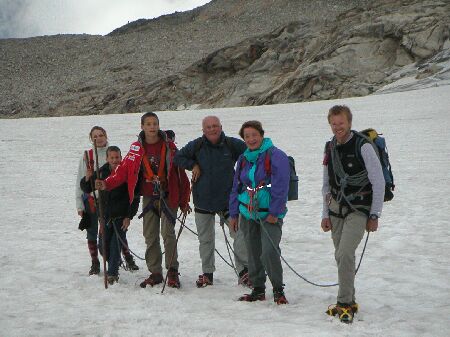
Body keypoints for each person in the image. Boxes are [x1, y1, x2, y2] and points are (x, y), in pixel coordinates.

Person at [96, 112, 190, 289]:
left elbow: (180, 174)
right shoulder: (135, 149)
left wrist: (184, 200)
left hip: (168, 196)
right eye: (148, 124)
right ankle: (155, 272)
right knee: (150, 235)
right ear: (142, 126)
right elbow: (123, 171)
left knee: (167, 234)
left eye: (155, 123)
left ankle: (172, 271)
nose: (152, 127)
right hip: (148, 197)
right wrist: (106, 184)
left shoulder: (170, 147)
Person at [321, 105, 384, 323]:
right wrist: (325, 213)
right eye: (334, 123)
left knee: (344, 254)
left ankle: (344, 303)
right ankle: (351, 299)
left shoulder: (363, 146)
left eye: (341, 123)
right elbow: (327, 183)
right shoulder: (330, 147)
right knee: (342, 256)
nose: (338, 127)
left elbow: (378, 181)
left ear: (349, 122)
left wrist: (374, 214)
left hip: (359, 209)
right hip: (336, 209)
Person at [174, 116, 249, 287]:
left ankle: (244, 271)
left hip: (229, 200)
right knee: (206, 240)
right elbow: (178, 157)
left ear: (221, 127)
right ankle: (207, 273)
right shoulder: (197, 145)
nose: (212, 129)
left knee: (239, 236)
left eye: (215, 126)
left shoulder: (232, 144)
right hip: (203, 201)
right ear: (203, 130)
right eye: (208, 127)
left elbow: (250, 154)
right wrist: (193, 165)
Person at [229, 120, 290, 305]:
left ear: (261, 135)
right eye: (247, 136)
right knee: (253, 252)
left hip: (269, 215)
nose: (251, 139)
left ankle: (278, 289)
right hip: (247, 213)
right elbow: (236, 187)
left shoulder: (276, 155)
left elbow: (281, 186)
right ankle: (258, 288)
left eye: (254, 135)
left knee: (269, 251)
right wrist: (233, 214)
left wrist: (275, 212)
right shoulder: (244, 158)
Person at [75, 126, 138, 276]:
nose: (98, 138)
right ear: (91, 138)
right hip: (94, 201)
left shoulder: (114, 154)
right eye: (95, 136)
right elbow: (82, 182)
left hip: (116, 206)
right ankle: (96, 263)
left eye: (101, 135)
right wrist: (80, 202)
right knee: (96, 235)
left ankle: (120, 263)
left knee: (116, 236)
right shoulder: (88, 156)